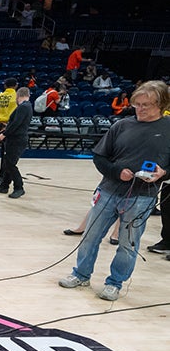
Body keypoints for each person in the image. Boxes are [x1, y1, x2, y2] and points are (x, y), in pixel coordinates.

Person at [58, 80, 170, 301]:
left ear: (161, 104)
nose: (140, 109)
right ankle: (81, 274)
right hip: (109, 190)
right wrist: (116, 171)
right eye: (137, 104)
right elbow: (99, 157)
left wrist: (164, 173)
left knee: (127, 244)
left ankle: (114, 283)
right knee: (90, 237)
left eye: (146, 105)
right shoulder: (121, 126)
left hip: (142, 197)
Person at [0, 87, 33, 199]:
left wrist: (5, 134)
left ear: (18, 96)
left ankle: (19, 187)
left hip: (17, 139)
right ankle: (4, 185)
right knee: (7, 163)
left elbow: (16, 123)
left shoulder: (23, 107)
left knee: (10, 164)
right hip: (16, 138)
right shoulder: (27, 106)